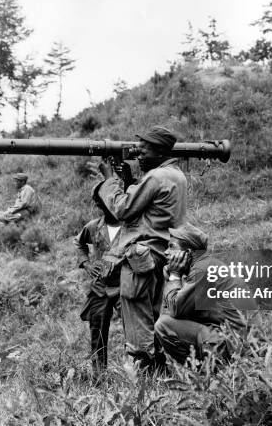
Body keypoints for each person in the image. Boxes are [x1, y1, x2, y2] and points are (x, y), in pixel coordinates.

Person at [95, 125, 187, 371]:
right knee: (154, 316)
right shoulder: (175, 175)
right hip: (160, 255)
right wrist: (131, 182)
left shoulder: (156, 177)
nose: (139, 155)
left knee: (137, 319)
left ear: (158, 151)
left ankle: (146, 374)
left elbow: (123, 210)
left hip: (141, 259)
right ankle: (159, 371)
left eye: (144, 151)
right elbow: (150, 209)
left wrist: (110, 180)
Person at [155, 223, 257, 365]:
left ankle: (201, 374)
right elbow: (176, 311)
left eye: (171, 247)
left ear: (188, 253)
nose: (165, 252)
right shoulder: (205, 265)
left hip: (236, 346)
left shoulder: (203, 270)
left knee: (163, 325)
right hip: (238, 342)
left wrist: (174, 276)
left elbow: (174, 311)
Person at [73, 186, 122, 377]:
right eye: (102, 202)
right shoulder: (93, 226)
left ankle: (140, 374)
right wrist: (86, 263)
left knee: (135, 332)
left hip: (125, 287)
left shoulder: (131, 226)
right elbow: (78, 242)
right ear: (99, 204)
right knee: (97, 332)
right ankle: (99, 375)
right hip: (100, 287)